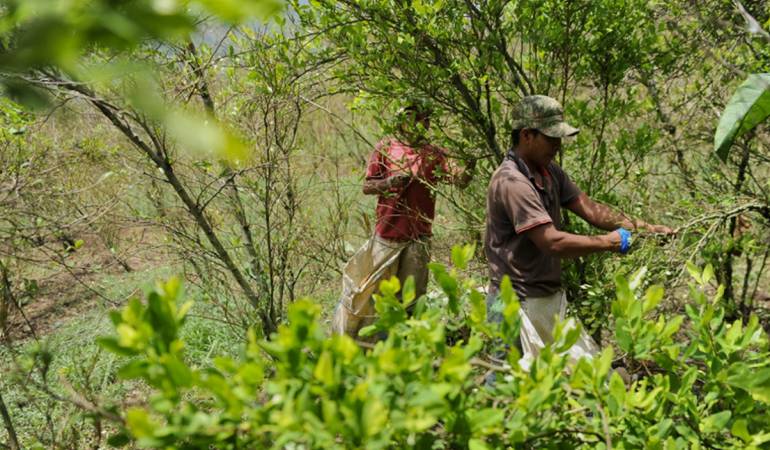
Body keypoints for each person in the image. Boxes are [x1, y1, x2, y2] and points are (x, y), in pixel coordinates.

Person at [484, 95, 672, 368]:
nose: (557, 146)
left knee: (571, 381)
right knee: (504, 387)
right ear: (526, 135)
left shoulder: (550, 174)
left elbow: (592, 210)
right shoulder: (512, 182)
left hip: (544, 299)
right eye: (551, 138)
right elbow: (552, 242)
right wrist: (608, 243)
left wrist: (646, 229)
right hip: (514, 303)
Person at [331, 104, 475, 340]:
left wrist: (471, 162)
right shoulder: (386, 148)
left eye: (424, 118)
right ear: (401, 120)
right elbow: (367, 186)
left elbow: (459, 180)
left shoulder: (434, 154)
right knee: (373, 295)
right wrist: (389, 184)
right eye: (413, 117)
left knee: (411, 299)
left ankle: (404, 346)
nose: (420, 123)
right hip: (387, 236)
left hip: (418, 238)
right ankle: (361, 344)